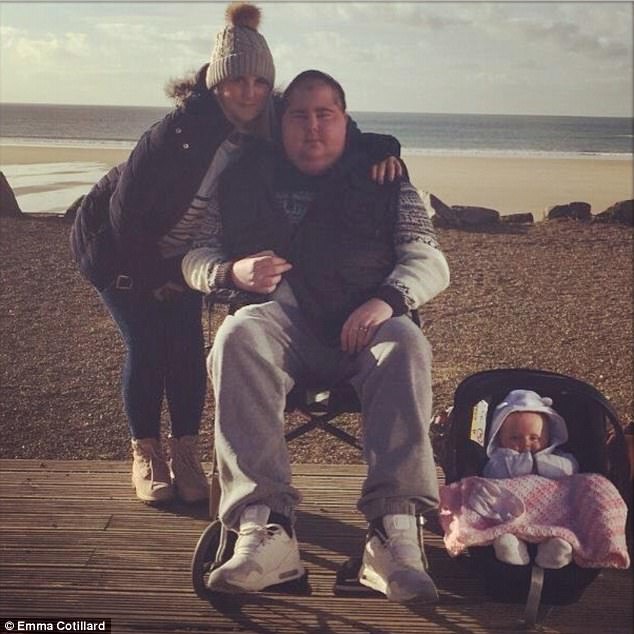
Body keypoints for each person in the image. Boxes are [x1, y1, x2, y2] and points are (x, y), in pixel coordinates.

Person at [70, 4, 400, 506]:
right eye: (236, 81)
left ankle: (185, 453)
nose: (249, 92)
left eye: (259, 82)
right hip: (120, 254)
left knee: (186, 348)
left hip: (187, 254)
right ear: (215, 82)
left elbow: (338, 133)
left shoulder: (271, 117)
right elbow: (124, 220)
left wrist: (384, 149)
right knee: (148, 346)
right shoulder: (173, 134)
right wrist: (160, 274)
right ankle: (146, 453)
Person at [182, 70, 451, 602]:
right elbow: (196, 255)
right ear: (279, 124)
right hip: (280, 327)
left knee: (406, 344)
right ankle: (265, 528)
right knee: (237, 335)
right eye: (299, 116)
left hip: (367, 326)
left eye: (325, 114)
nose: (312, 127)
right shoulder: (241, 179)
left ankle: (394, 533)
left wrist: (387, 300)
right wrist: (231, 272)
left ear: (345, 121)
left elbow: (429, 259)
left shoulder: (386, 177)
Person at [482, 389, 579, 568]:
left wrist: (543, 463)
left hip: (550, 511)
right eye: (515, 438)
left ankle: (555, 548)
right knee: (500, 523)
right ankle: (511, 546)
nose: (525, 444)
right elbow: (490, 474)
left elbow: (572, 469)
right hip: (514, 514)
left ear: (548, 438)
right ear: (500, 438)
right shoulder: (500, 459)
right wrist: (520, 465)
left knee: (564, 522)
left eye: (534, 438)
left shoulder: (557, 456)